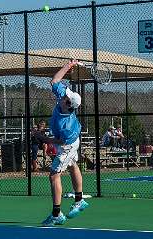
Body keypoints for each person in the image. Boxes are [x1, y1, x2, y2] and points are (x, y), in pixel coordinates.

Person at [42, 59, 89, 227]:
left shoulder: (66, 125)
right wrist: (68, 66)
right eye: (66, 95)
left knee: (54, 175)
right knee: (72, 165)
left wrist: (43, 138)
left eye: (67, 98)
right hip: (71, 140)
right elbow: (54, 81)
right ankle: (79, 200)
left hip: (67, 143)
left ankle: (57, 214)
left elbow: (60, 141)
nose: (63, 96)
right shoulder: (63, 95)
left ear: (70, 106)